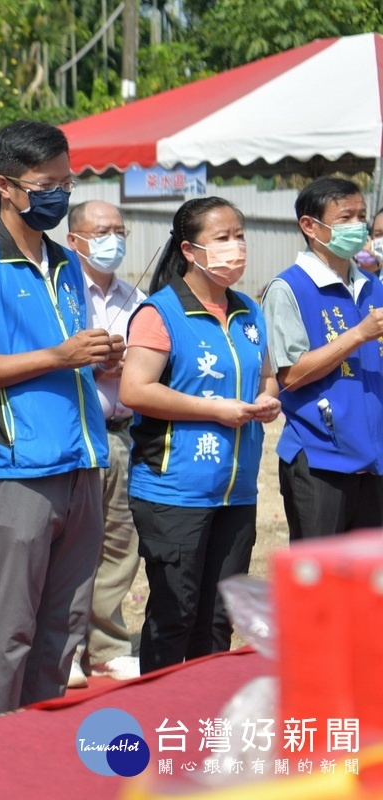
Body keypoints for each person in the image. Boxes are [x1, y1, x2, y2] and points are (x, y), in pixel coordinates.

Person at [0, 120, 122, 719]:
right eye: (47, 185)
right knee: (11, 629)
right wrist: (59, 357)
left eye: (66, 183)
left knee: (64, 629)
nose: (60, 195)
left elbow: (68, 354)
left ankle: (42, 751)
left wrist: (97, 357)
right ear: (7, 187)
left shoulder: (68, 262)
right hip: (18, 469)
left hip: (84, 460)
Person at [120, 196, 280, 673]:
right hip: (175, 492)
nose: (236, 248)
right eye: (222, 239)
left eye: (240, 236)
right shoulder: (160, 313)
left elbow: (266, 377)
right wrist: (214, 410)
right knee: (174, 616)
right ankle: (160, 720)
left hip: (235, 491)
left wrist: (268, 400)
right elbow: (135, 389)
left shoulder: (249, 311)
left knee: (217, 620)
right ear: (190, 250)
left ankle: (206, 723)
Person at [261, 178, 383, 541]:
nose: (358, 226)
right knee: (321, 581)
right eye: (346, 217)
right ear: (310, 226)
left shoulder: (374, 286)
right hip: (320, 457)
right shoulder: (288, 288)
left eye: (362, 216)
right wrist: (358, 334)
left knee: (369, 582)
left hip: (373, 457)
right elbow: (292, 376)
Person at [64, 200, 144, 687]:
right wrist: (89, 361)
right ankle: (67, 647)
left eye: (119, 230)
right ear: (75, 240)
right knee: (76, 544)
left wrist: (130, 362)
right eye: (101, 231)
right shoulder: (65, 293)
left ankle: (109, 645)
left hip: (124, 433)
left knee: (120, 541)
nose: (113, 239)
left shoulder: (135, 298)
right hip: (77, 431)